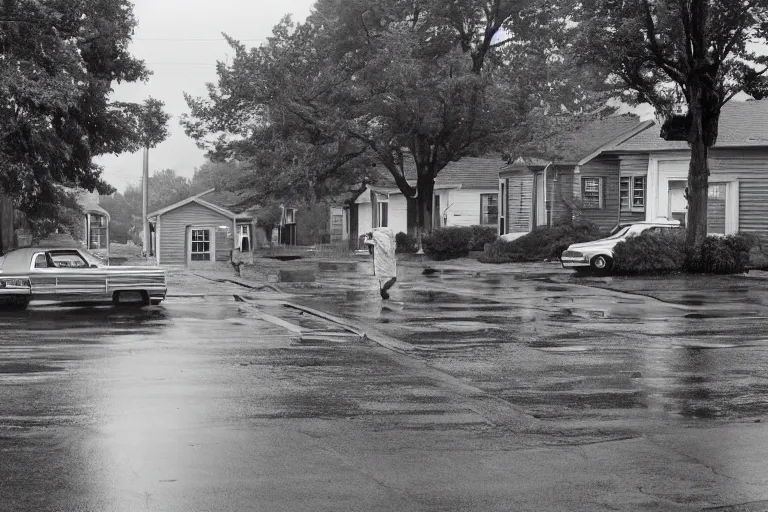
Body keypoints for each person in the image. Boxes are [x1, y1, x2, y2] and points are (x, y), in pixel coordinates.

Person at [364, 227, 397, 300]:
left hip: (382, 263)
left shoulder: (375, 241)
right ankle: (383, 291)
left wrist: (367, 237)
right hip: (386, 262)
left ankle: (383, 291)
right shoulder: (384, 240)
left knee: (385, 279)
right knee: (391, 278)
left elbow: (366, 242)